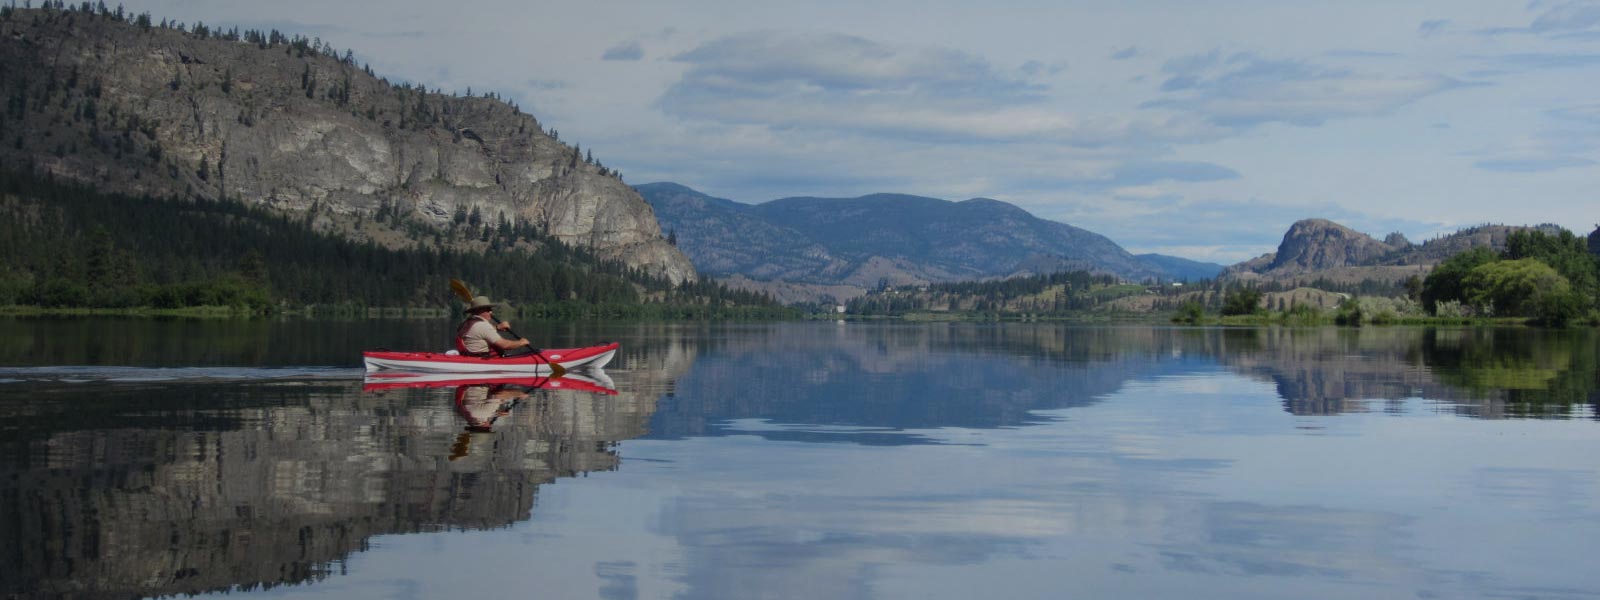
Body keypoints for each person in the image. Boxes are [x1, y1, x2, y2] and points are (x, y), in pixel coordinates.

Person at [455, 295, 534, 357]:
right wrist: (521, 342)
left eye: (491, 309)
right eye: (488, 309)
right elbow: (504, 345)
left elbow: (479, 333)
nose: (491, 312)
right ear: (478, 310)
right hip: (480, 359)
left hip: (468, 356)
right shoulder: (484, 326)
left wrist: (497, 328)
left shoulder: (466, 323)